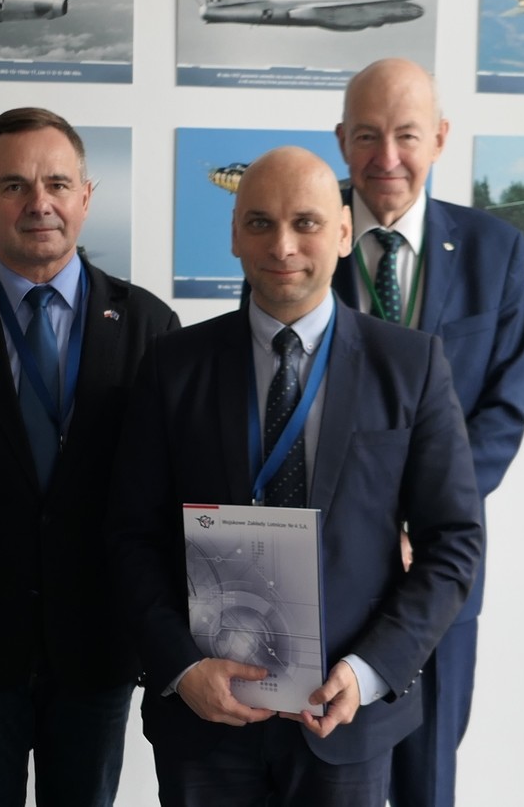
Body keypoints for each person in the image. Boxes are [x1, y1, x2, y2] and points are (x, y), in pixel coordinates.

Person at [108, 147, 483, 806]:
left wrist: (369, 672)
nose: (282, 246)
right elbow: (128, 536)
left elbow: (453, 543)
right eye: (260, 222)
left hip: (346, 717)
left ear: (343, 232)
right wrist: (182, 666)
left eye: (305, 222)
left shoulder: (411, 366)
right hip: (206, 718)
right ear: (234, 234)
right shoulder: (173, 366)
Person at [0, 107, 179, 806]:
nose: (39, 203)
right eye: (14, 185)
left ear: (86, 197)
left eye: (58, 183)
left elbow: (169, 490)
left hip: (99, 647)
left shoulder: (150, 325)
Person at [334, 57, 524, 807]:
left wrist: (423, 522)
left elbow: (503, 410)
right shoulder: (301, 238)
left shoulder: (494, 250)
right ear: (341, 140)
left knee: (429, 783)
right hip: (331, 572)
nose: (386, 157)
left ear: (441, 138)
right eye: (367, 135)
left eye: (407, 135)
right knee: (330, 778)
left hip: (441, 573)